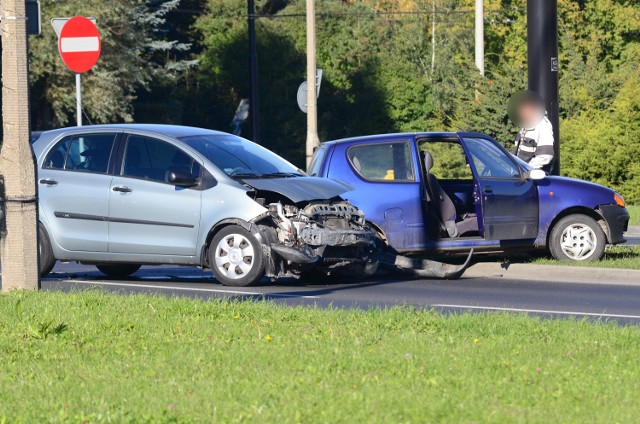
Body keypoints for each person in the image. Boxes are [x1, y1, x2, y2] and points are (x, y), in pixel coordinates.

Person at [511, 91, 555, 172]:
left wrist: (527, 170)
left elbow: (546, 155)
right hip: (522, 177)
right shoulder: (526, 125)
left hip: (535, 178)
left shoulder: (542, 125)